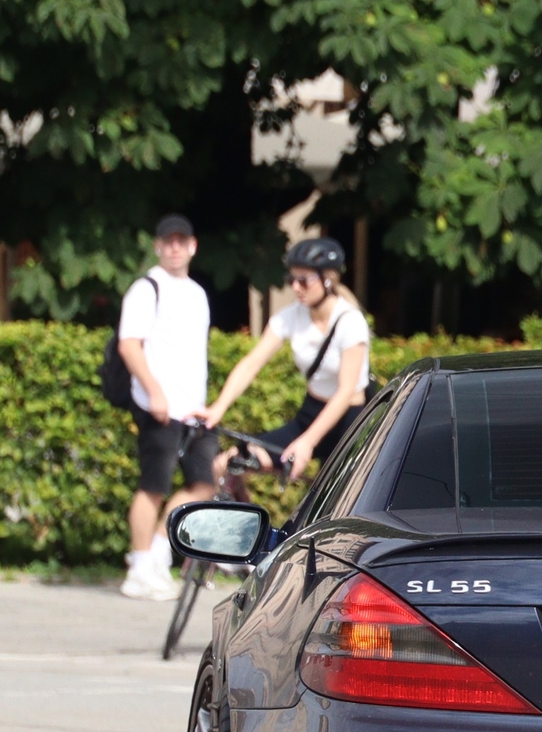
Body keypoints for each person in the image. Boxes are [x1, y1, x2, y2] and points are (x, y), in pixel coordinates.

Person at [198, 237, 373, 478]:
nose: (295, 287)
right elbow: (252, 363)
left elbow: (345, 392)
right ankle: (245, 513)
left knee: (330, 504)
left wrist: (308, 442)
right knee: (229, 464)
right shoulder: (291, 316)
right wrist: (218, 408)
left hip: (349, 423)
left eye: (303, 281)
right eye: (292, 279)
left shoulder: (350, 322)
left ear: (328, 279)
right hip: (310, 414)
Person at [115, 214, 217, 600]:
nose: (175, 247)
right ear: (157, 246)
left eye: (182, 241)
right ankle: (140, 567)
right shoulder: (146, 288)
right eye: (167, 241)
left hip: (193, 408)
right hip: (157, 405)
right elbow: (129, 344)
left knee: (203, 484)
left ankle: (157, 550)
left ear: (192, 246)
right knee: (153, 487)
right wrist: (154, 390)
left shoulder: (196, 293)